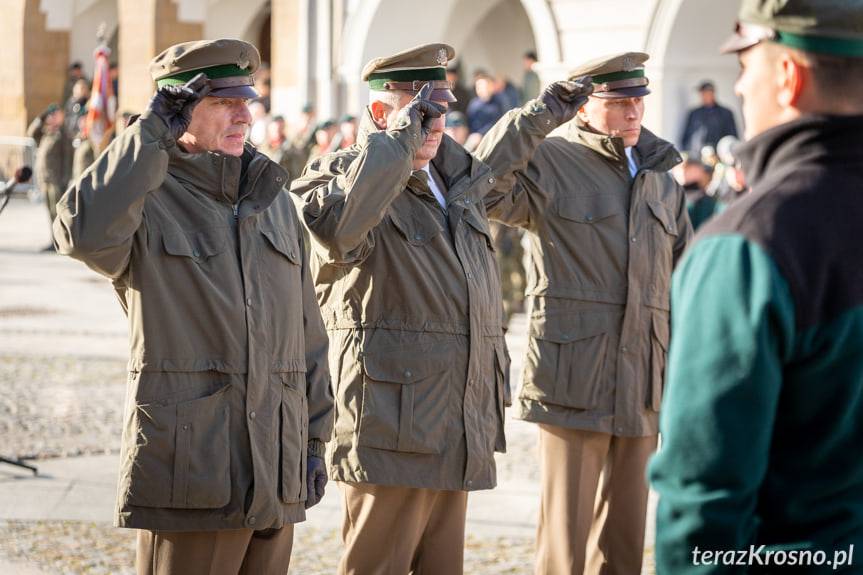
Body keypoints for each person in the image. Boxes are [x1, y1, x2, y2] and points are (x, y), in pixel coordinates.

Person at [290, 42, 592, 575]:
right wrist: (397, 142)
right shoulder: (337, 175)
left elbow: (496, 160)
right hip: (390, 426)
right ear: (382, 113)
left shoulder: (454, 179)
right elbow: (340, 232)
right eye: (419, 112)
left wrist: (540, 114)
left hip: (455, 421)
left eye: (439, 112)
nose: (433, 126)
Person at [52, 39, 333, 575]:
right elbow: (82, 233)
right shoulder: (146, 197)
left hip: (276, 464)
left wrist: (315, 438)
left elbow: (308, 333)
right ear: (178, 108)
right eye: (224, 102)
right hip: (194, 469)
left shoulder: (272, 198)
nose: (244, 115)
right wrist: (148, 135)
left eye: (246, 100)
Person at [650, 0, 863, 571]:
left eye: (746, 64)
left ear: (789, 76)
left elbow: (703, 503)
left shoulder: (747, 246)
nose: (741, 86)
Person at [476, 51, 692, 574]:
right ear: (584, 106)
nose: (634, 113)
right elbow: (479, 187)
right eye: (619, 103)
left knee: (624, 545)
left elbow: (683, 278)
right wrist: (537, 116)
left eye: (638, 101)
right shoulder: (550, 159)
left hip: (642, 383)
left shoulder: (663, 176)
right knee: (564, 546)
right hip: (573, 381)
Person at [27, 103, 71, 246]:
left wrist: (65, 180)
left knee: (57, 213)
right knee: (49, 212)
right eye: (51, 115)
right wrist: (41, 118)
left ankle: (62, 242)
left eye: (55, 115)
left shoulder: (62, 134)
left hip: (56, 180)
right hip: (44, 179)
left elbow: (67, 158)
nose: (52, 118)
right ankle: (54, 241)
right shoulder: (46, 132)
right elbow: (31, 133)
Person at [680, 80, 738, 155]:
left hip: (718, 156)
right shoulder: (694, 114)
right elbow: (686, 137)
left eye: (706, 93)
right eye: (702, 93)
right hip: (697, 157)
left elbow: (732, 138)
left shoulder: (725, 113)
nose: (703, 96)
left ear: (712, 93)